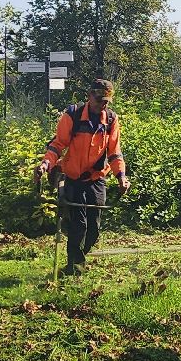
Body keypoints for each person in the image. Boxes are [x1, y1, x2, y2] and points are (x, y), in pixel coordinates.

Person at [37, 78, 129, 275]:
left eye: (106, 101)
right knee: (79, 226)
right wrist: (46, 163)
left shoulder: (111, 120)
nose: (102, 105)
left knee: (93, 230)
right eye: (99, 100)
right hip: (73, 179)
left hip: (97, 179)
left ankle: (75, 261)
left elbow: (114, 152)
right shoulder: (73, 115)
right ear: (89, 97)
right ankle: (74, 269)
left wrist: (121, 176)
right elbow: (58, 145)